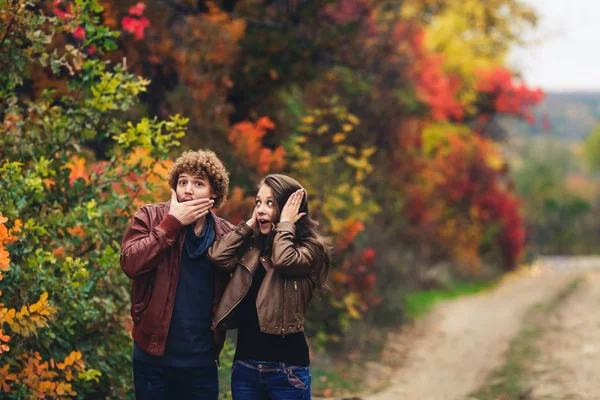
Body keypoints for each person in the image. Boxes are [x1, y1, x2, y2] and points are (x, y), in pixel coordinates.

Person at [120, 149, 233, 400]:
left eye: (198, 183)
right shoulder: (149, 217)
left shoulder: (227, 234)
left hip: (201, 361)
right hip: (152, 359)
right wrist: (170, 223)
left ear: (214, 193)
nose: (188, 190)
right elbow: (130, 264)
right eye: (183, 182)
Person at [209, 174, 332, 400]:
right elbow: (218, 256)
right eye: (258, 202)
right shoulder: (252, 247)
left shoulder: (310, 249)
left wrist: (285, 223)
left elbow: (284, 259)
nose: (261, 209)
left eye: (270, 203)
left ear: (288, 209)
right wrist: (248, 225)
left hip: (287, 371)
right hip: (245, 367)